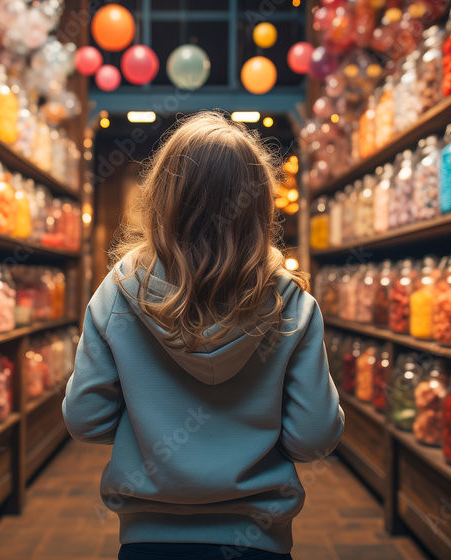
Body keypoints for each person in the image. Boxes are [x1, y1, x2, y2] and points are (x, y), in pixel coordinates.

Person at [63, 111, 344, 560]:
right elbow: (313, 437)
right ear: (259, 207)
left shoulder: (117, 290)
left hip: (146, 541)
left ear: (161, 198)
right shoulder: (290, 302)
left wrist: (150, 427)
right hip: (258, 542)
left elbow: (85, 418)